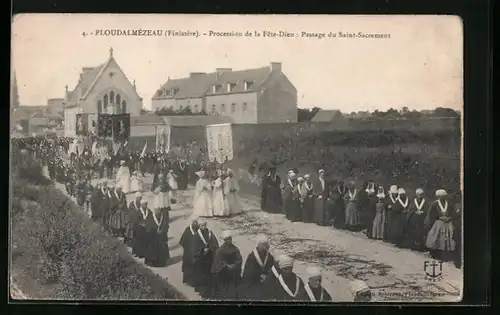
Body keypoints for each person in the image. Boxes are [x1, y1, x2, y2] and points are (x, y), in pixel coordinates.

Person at [240, 233, 276, 300]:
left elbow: (273, 269)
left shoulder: (269, 257)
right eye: (263, 245)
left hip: (266, 283)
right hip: (254, 284)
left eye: (266, 244)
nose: (266, 247)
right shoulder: (252, 257)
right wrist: (260, 276)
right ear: (258, 244)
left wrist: (268, 276)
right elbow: (248, 274)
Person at [425, 189, 456, 261]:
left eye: (444, 196)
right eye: (440, 197)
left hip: (448, 223)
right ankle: (436, 253)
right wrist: (439, 217)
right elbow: (431, 215)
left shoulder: (449, 203)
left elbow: (453, 213)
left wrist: (450, 217)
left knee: (448, 238)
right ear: (438, 197)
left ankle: (447, 254)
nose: (442, 198)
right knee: (436, 237)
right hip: (438, 223)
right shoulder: (434, 204)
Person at [211, 230, 243, 300]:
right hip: (223, 273)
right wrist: (226, 266)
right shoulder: (220, 250)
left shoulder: (235, 249)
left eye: (230, 239)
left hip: (233, 272)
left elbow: (239, 259)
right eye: (227, 239)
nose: (229, 240)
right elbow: (218, 261)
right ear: (224, 240)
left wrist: (235, 265)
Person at [192, 219, 219, 298]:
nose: (203, 227)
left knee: (209, 275)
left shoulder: (210, 233)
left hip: (210, 258)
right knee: (202, 276)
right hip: (201, 259)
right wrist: (202, 250)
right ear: (199, 226)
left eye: (205, 225)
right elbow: (194, 248)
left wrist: (210, 248)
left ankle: (210, 292)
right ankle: (203, 292)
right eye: (202, 225)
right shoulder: (197, 235)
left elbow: (215, 244)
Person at [179, 215, 200, 286]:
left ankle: (194, 282)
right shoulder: (187, 230)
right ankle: (187, 281)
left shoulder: (199, 230)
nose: (195, 223)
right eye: (194, 222)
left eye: (196, 222)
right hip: (188, 253)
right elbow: (182, 242)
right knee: (188, 267)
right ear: (192, 222)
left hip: (196, 252)